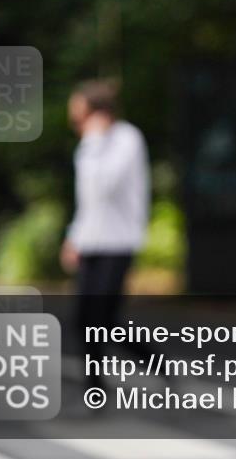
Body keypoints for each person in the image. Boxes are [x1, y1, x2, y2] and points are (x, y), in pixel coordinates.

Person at [61, 79, 151, 391]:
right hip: (90, 244)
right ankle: (95, 386)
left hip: (117, 243)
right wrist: (74, 236)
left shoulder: (125, 139)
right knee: (84, 320)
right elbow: (87, 200)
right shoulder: (88, 145)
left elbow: (104, 186)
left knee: (105, 322)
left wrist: (95, 141)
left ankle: (157, 363)